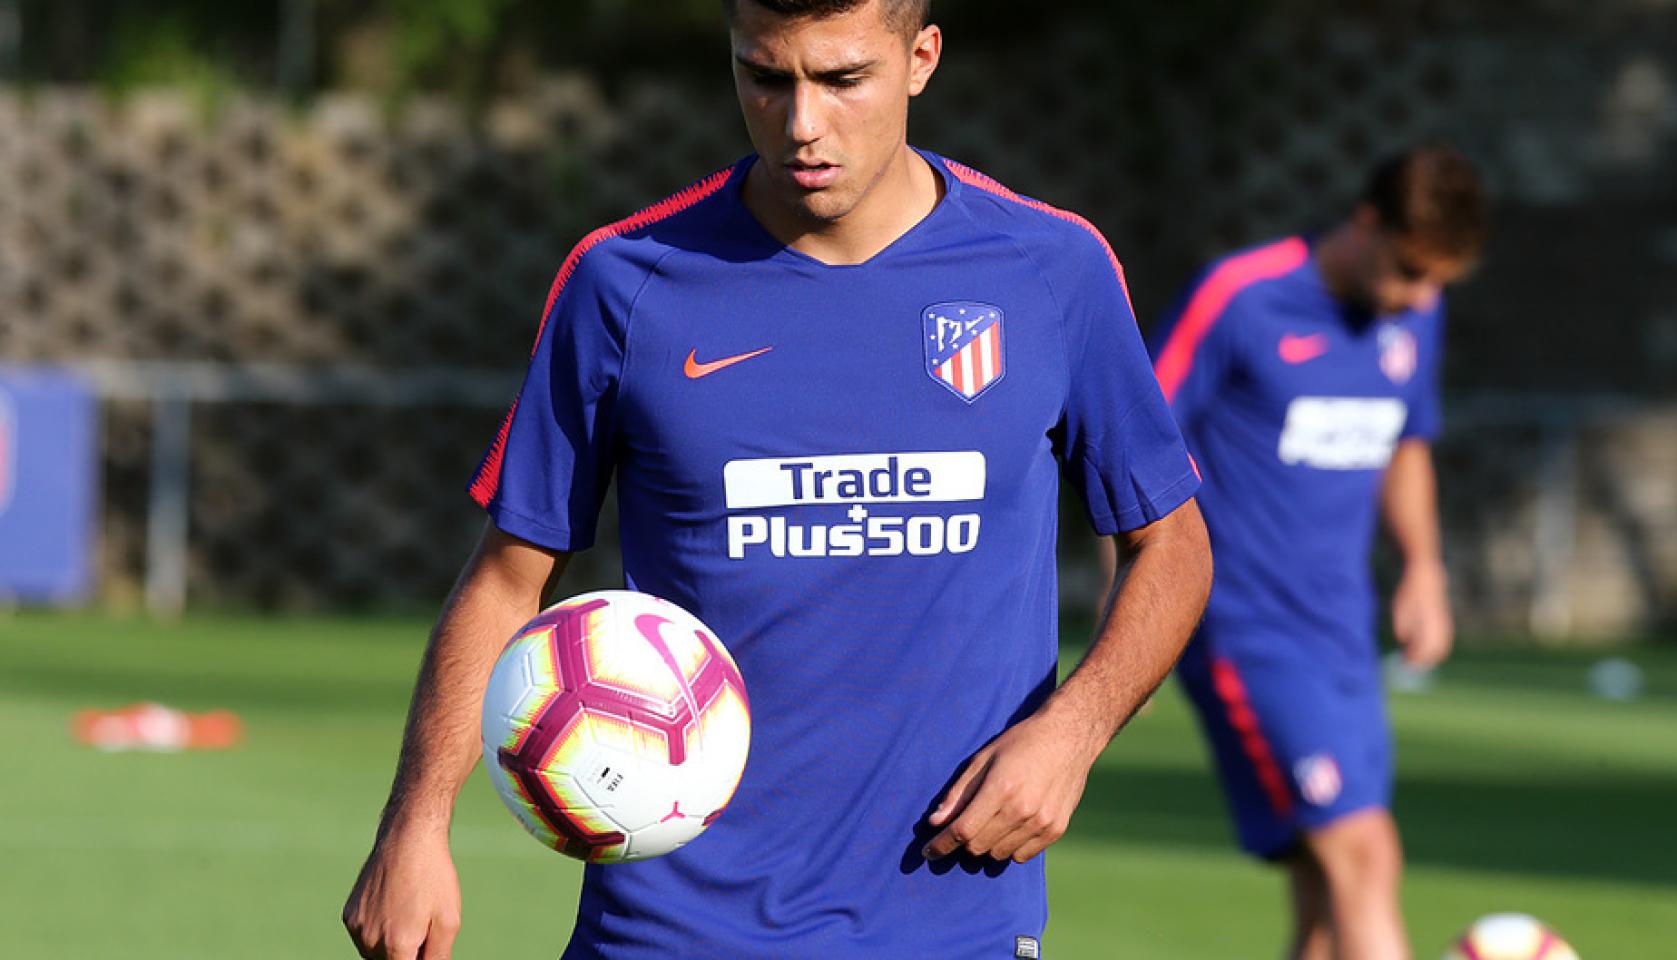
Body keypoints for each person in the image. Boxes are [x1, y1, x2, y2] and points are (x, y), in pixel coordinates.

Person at [342, 0, 1213, 957]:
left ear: (920, 58)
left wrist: (1073, 731)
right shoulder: (626, 280)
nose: (802, 124)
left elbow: (1170, 543)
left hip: (949, 915)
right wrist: (414, 825)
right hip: (668, 929)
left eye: (842, 80)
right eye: (765, 76)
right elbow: (510, 577)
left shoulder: (1051, 271)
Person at [1143, 146, 1487, 960]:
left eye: (1439, 281)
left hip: (1343, 633)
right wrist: (1140, 615)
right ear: (1367, 224)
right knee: (1365, 855)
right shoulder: (1240, 296)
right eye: (1410, 270)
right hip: (1242, 627)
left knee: (1326, 906)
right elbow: (1136, 447)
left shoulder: (1416, 313)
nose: (1422, 295)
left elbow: (1408, 444)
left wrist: (1425, 571)